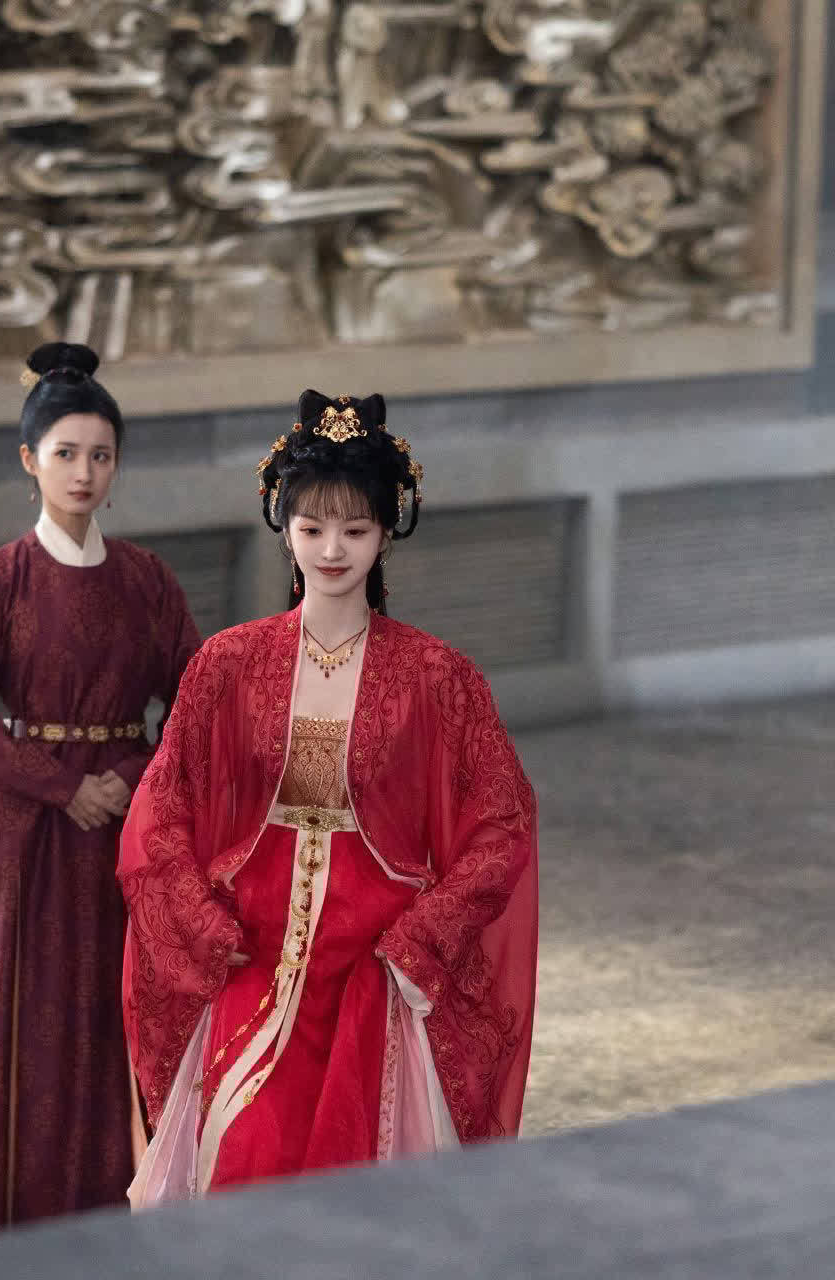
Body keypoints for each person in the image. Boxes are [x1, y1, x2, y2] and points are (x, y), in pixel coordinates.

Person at [121, 390, 540, 1205]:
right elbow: (160, 811)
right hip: (252, 948)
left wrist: (422, 937)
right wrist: (201, 922)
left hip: (374, 964)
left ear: (388, 531)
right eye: (312, 528)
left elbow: (502, 827)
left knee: (363, 1185)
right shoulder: (228, 664)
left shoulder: (436, 675)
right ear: (283, 527)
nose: (332, 548)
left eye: (355, 529)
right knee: (243, 1150)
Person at [0, 343, 202, 1242]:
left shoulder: (147, 581)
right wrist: (60, 785)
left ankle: (120, 1226)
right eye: (66, 453)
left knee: (121, 1022)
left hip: (127, 829)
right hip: (27, 836)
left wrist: (131, 775)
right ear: (29, 460)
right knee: (29, 1029)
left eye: (101, 455)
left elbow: (197, 698)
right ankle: (21, 1236)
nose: (84, 472)